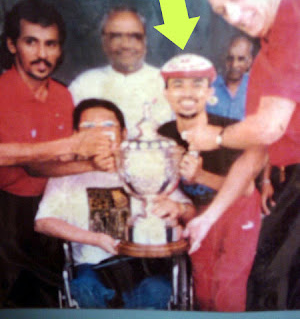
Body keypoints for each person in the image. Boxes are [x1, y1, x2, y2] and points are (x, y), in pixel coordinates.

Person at [183, 0, 300, 310]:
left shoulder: (293, 25)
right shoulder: (267, 51)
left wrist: (212, 137)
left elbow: (268, 127)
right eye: (221, 10)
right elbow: (256, 149)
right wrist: (209, 217)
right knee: (265, 286)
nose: (232, 15)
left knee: (273, 289)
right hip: (286, 186)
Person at [0, 0, 112, 307]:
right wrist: (71, 145)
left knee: (49, 300)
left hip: (49, 210)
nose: (42, 54)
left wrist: (93, 163)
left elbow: (39, 167)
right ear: (12, 45)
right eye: (31, 42)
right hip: (5, 215)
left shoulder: (63, 97)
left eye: (51, 44)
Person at [35, 98, 195, 309]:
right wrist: (95, 239)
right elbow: (43, 222)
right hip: (90, 264)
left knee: (158, 290)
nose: (100, 133)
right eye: (89, 127)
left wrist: (178, 208)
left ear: (124, 134)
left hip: (144, 263)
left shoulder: (147, 166)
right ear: (76, 136)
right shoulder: (65, 174)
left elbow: (190, 212)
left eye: (108, 125)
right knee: (84, 289)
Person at [158, 54, 261, 311]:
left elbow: (247, 189)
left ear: (209, 92)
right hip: (198, 211)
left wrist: (200, 176)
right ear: (166, 93)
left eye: (196, 84)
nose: (187, 93)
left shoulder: (230, 131)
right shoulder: (164, 133)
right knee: (202, 288)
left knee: (227, 287)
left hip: (238, 209)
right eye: (178, 84)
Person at [69, 6, 173, 138]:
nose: (125, 45)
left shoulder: (167, 82)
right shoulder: (84, 84)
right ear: (104, 42)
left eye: (134, 37)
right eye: (116, 37)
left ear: (145, 42)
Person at [207, 35, 254, 120]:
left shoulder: (256, 90)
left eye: (241, 59)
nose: (234, 65)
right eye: (230, 58)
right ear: (224, 59)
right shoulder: (209, 88)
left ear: (249, 62)